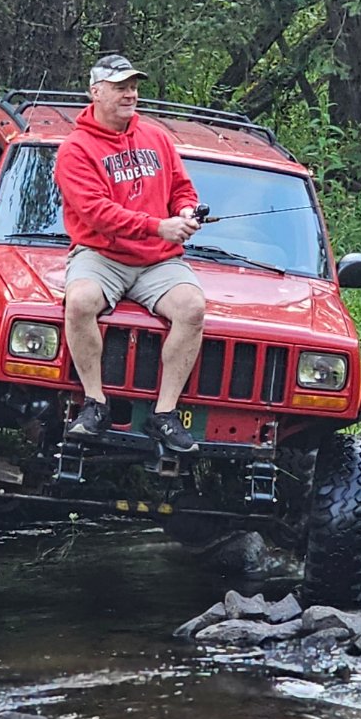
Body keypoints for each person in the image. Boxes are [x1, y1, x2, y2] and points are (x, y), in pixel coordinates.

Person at [54, 53, 205, 452]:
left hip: (158, 259)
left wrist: (186, 212)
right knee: (81, 300)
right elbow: (97, 214)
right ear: (96, 92)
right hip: (101, 253)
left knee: (192, 307)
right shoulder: (75, 149)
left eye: (134, 87)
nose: (130, 94)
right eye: (121, 87)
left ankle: (165, 414)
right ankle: (95, 403)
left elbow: (181, 189)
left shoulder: (156, 137)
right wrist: (158, 225)